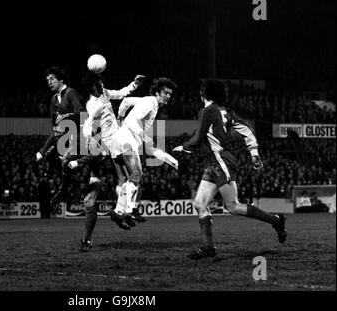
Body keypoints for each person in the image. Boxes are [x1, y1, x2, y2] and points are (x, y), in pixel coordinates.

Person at [172, 79, 287, 260]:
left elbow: (197, 138)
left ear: (204, 94)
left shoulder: (207, 111)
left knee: (232, 206)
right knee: (200, 204)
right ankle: (208, 248)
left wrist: (183, 148)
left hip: (220, 160)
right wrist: (254, 153)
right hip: (213, 162)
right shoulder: (226, 112)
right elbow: (247, 129)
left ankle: (276, 220)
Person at [65, 71, 145, 251]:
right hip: (104, 149)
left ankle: (122, 212)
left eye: (101, 83)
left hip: (115, 143)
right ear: (91, 87)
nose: (101, 86)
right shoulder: (91, 105)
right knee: (91, 199)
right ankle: (89, 237)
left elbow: (121, 92)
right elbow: (87, 126)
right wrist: (90, 139)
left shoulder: (106, 93)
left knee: (128, 177)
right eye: (98, 84)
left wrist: (135, 84)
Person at [109, 77, 179, 228]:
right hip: (127, 139)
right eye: (165, 93)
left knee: (126, 179)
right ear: (157, 92)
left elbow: (126, 102)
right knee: (136, 174)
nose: (168, 96)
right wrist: (145, 138)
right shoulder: (149, 103)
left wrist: (120, 116)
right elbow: (133, 121)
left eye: (170, 94)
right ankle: (130, 210)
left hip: (119, 139)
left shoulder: (147, 101)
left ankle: (118, 211)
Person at [35, 66, 83, 163]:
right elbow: (55, 124)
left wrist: (66, 116)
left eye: (52, 79)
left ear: (61, 80)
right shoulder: (54, 99)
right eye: (47, 80)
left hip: (78, 135)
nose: (49, 82)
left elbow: (82, 114)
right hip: (64, 138)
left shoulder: (71, 92)